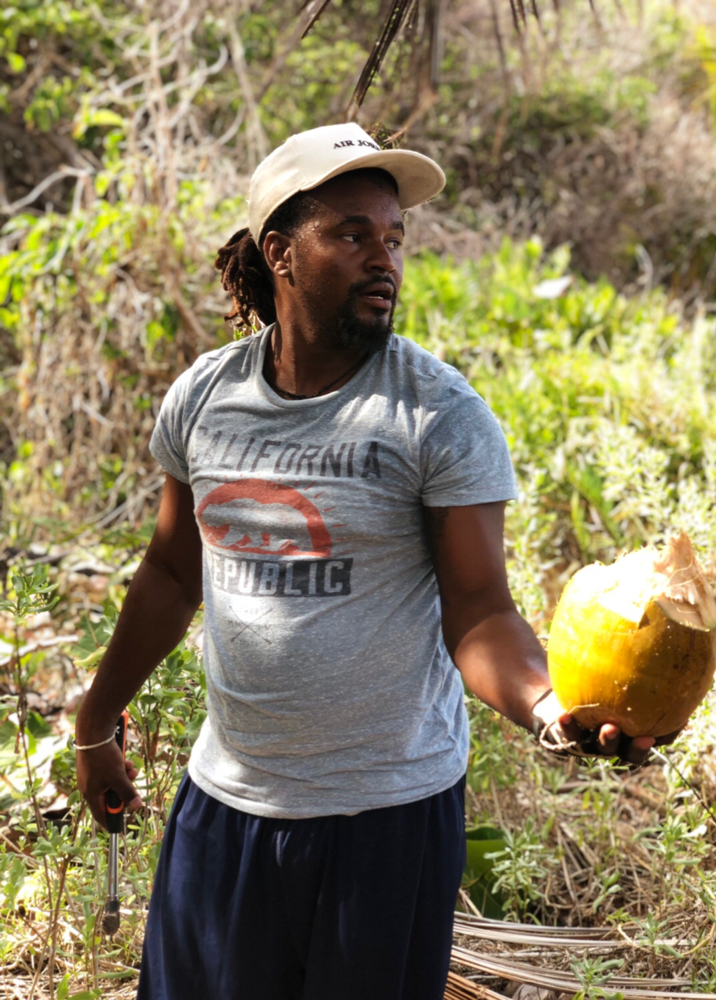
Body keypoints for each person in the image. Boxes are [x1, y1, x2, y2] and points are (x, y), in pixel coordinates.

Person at [75, 123, 656, 1000]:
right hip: (227, 802)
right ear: (281, 252)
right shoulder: (205, 398)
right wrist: (98, 717)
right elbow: (169, 573)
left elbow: (479, 609)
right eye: (351, 234)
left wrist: (548, 706)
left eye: (392, 238)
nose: (382, 258)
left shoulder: (436, 413)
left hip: (383, 822)